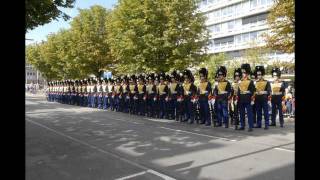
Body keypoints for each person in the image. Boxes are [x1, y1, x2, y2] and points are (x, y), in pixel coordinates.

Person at [237, 64, 255, 132]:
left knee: (249, 113)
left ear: (247, 73)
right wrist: (237, 98)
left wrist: (250, 96)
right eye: (242, 72)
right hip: (241, 99)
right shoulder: (240, 81)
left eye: (244, 72)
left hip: (248, 99)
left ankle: (250, 126)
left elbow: (253, 90)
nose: (243, 74)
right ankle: (242, 125)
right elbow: (239, 91)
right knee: (241, 113)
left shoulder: (250, 81)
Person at [253, 65, 271, 130]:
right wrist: (255, 93)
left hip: (264, 99)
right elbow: (253, 91)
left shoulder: (267, 82)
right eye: (257, 74)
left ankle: (266, 125)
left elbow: (269, 91)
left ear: (262, 74)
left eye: (260, 74)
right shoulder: (255, 82)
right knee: (258, 112)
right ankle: (259, 124)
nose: (258, 75)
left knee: (265, 112)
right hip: (257, 99)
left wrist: (263, 92)